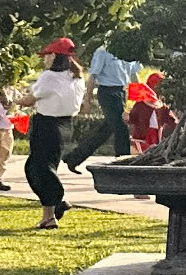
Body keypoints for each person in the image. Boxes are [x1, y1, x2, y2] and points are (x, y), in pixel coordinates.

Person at [20, 40, 85, 229]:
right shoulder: (77, 76)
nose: (44, 60)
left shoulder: (49, 76)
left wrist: (14, 99)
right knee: (40, 168)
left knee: (40, 168)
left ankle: (58, 201)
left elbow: (30, 100)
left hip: (47, 124)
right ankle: (50, 214)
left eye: (47, 55)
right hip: (66, 125)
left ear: (54, 56)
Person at [64, 40, 139, 170]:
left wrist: (140, 97)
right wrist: (87, 99)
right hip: (107, 92)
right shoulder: (103, 52)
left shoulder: (129, 51)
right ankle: (123, 163)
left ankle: (74, 157)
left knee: (106, 130)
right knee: (121, 128)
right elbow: (92, 76)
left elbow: (133, 75)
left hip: (121, 91)